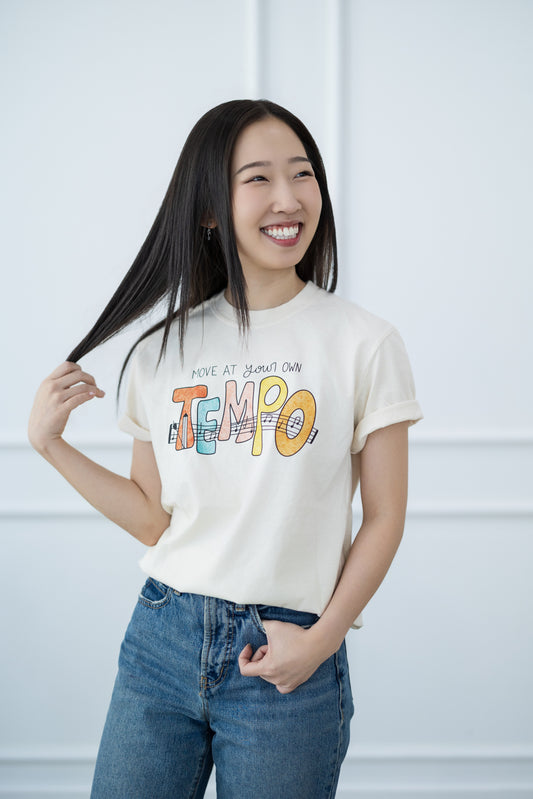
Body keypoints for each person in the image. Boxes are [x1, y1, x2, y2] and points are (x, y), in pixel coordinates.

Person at [28, 99, 423, 798]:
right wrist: (50, 445)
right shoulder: (161, 350)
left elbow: (385, 515)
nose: (288, 198)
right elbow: (154, 516)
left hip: (285, 648)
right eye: (258, 179)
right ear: (208, 209)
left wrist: (323, 639)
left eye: (302, 175)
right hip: (161, 638)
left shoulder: (364, 342)